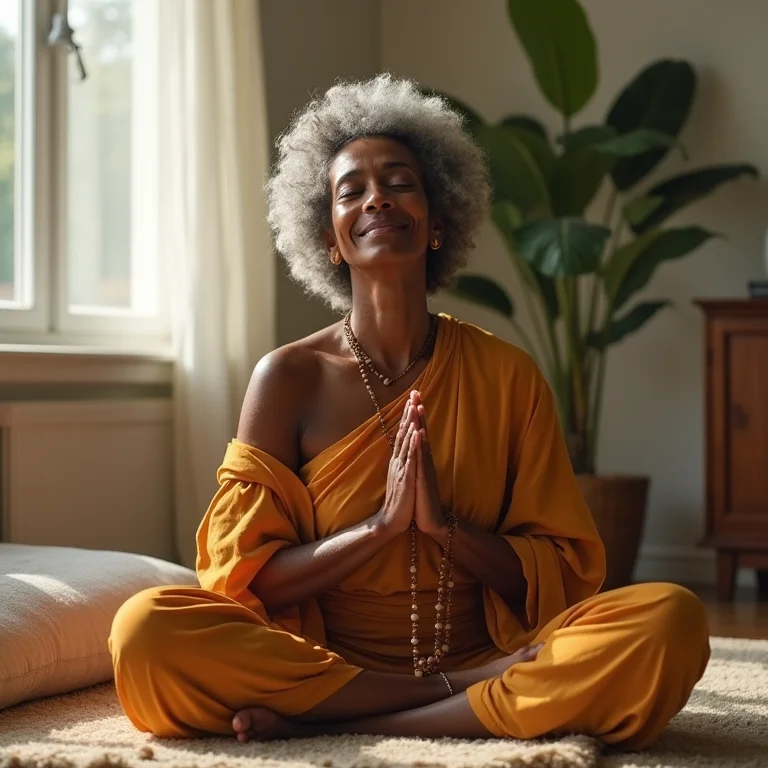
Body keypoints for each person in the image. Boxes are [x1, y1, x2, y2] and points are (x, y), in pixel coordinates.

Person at [108, 74, 710, 750]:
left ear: (437, 221)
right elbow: (249, 578)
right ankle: (440, 700)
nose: (377, 200)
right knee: (146, 631)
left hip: (493, 647)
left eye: (399, 182)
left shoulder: (506, 375)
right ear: (329, 237)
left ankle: (350, 719)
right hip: (327, 662)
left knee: (670, 619)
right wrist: (380, 529)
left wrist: (446, 530)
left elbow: (559, 575)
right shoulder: (288, 377)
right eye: (351, 190)